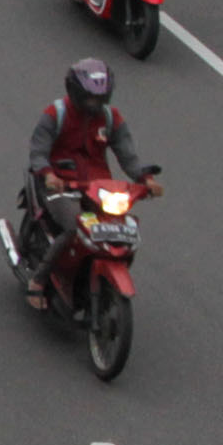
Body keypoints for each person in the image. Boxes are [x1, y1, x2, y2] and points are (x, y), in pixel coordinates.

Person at [21, 57, 161, 305]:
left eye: (100, 98)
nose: (95, 103)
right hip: (61, 185)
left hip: (98, 188)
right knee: (75, 228)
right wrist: (49, 175)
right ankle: (38, 280)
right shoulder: (56, 114)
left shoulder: (111, 118)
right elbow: (38, 151)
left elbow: (128, 156)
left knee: (122, 231)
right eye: (90, 98)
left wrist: (145, 180)